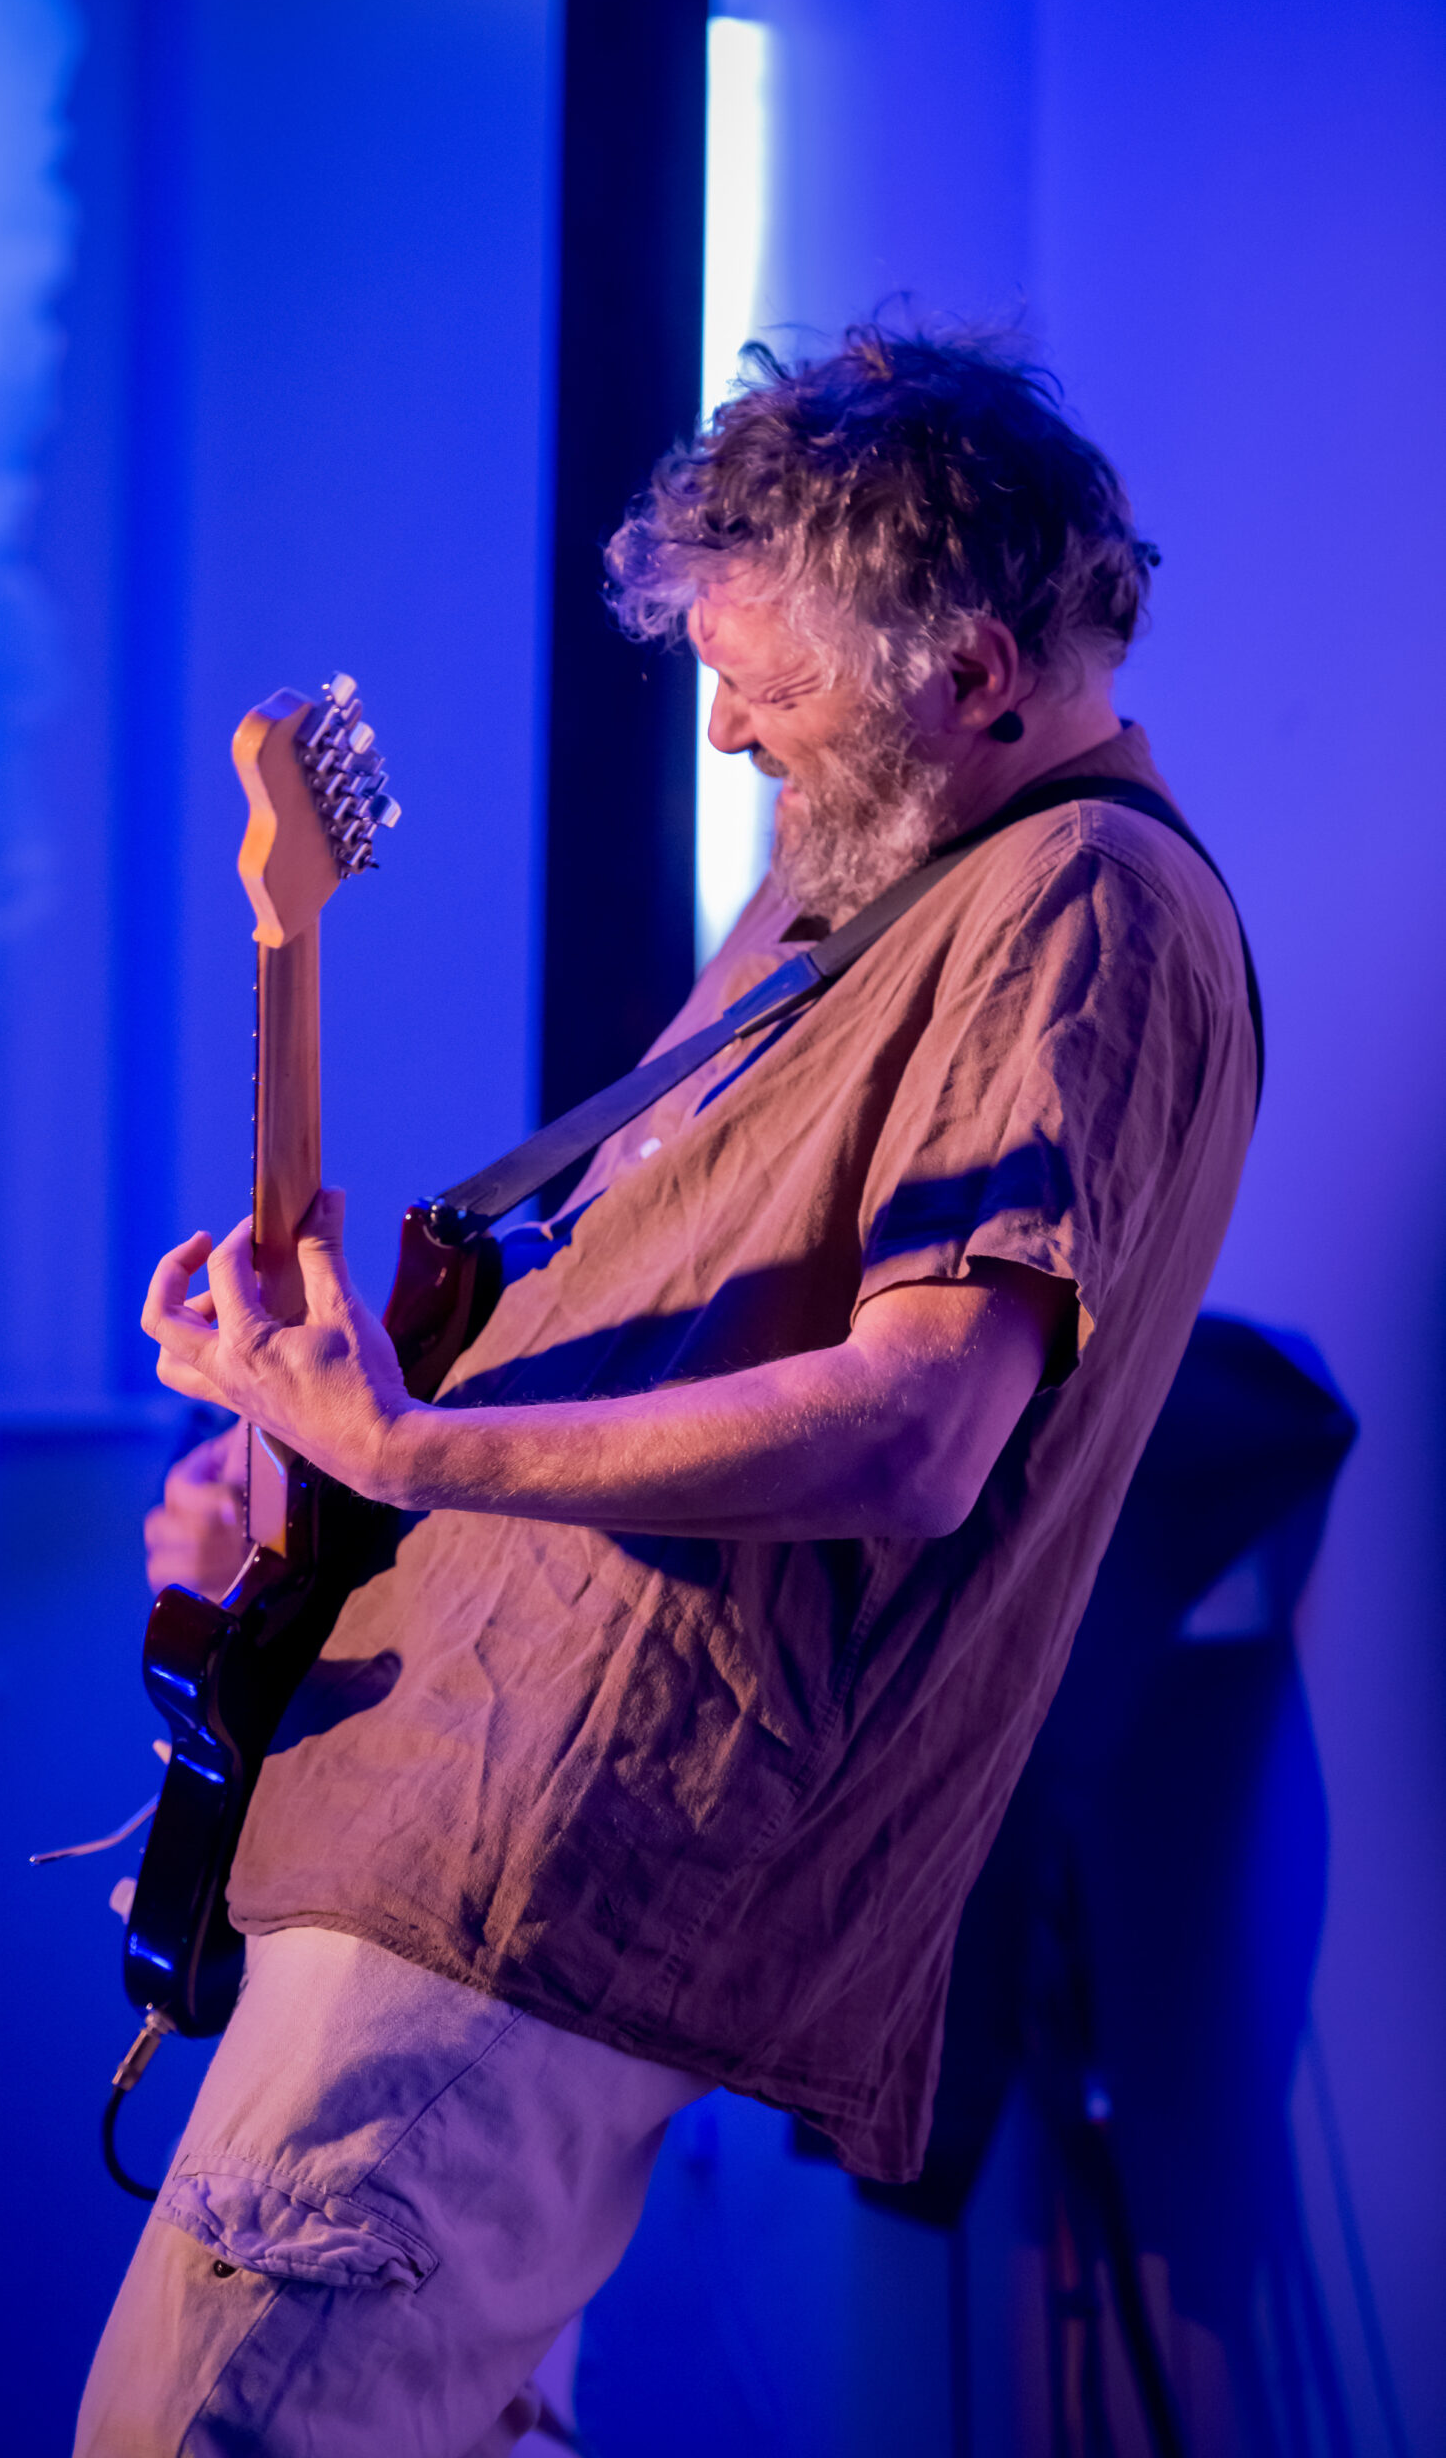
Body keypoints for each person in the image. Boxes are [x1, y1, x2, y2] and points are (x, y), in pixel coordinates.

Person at [76, 328, 1257, 2455]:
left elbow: (918, 1429)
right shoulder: (877, 875)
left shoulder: (1079, 898)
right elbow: (633, 1269)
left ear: (976, 671)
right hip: (473, 1838)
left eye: (766, 687)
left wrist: (407, 1443)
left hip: (531, 1867)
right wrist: (315, 1447)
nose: (722, 730)